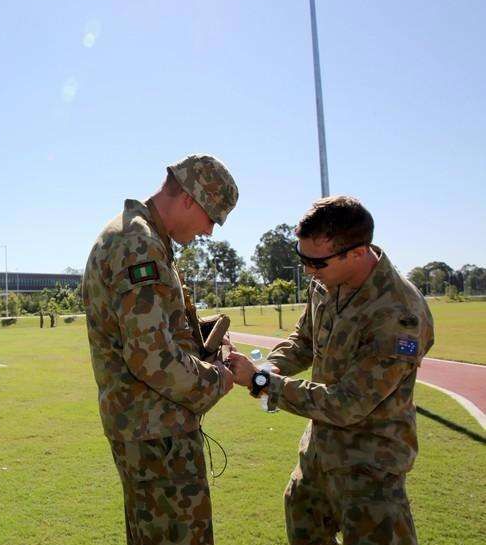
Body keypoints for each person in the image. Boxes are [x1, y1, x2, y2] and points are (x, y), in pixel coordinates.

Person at [227, 195, 433, 545]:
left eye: (316, 262)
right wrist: (269, 364)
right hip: (319, 456)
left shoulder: (399, 315)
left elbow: (346, 403)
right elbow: (304, 340)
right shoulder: (326, 282)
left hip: (370, 470)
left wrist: (261, 381)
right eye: (301, 258)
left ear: (356, 252)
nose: (308, 270)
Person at [82, 155, 238, 545]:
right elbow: (152, 358)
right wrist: (219, 379)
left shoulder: (140, 237)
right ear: (189, 198)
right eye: (211, 218)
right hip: (158, 435)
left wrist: (200, 336)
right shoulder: (140, 245)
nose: (209, 232)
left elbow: (148, 329)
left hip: (148, 430)